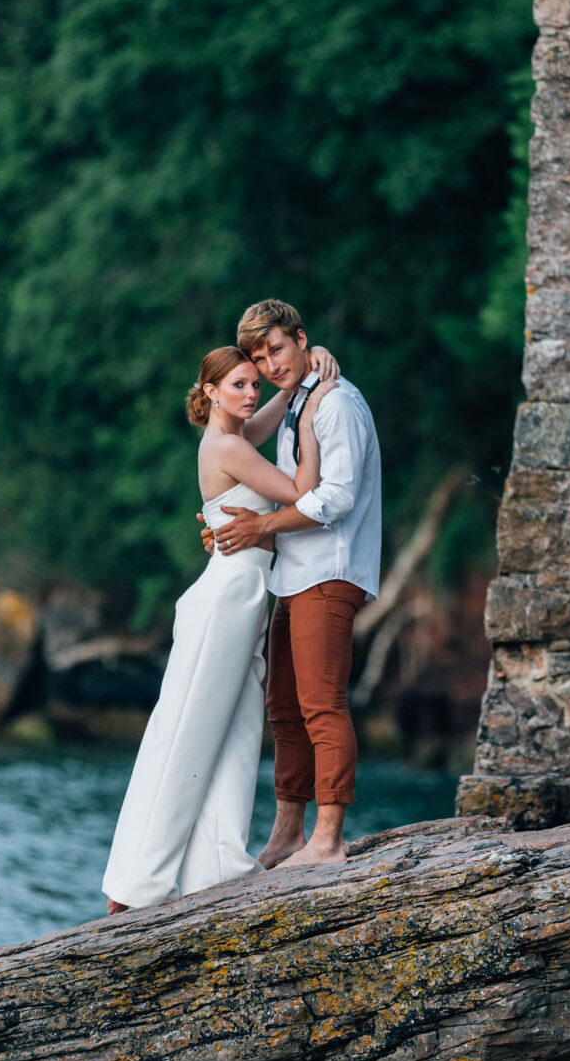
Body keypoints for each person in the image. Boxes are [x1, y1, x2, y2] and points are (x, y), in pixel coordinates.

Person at [102, 343, 337, 912]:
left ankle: (217, 865)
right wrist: (313, 407)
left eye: (254, 384)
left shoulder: (238, 435)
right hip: (227, 595)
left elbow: (268, 413)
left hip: (249, 595)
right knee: (186, 731)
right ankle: (134, 886)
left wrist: (301, 376)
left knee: (235, 731)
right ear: (210, 392)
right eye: (238, 385)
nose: (250, 392)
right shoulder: (227, 445)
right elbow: (304, 494)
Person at [210, 300, 382, 869]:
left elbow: (336, 497)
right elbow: (284, 482)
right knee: (283, 708)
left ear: (301, 338)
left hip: (330, 572)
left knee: (322, 707)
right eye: (260, 359)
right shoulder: (300, 399)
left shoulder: (338, 403)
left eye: (277, 350)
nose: (270, 365)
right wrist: (243, 531)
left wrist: (261, 525)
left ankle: (328, 840)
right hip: (294, 573)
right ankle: (288, 835)